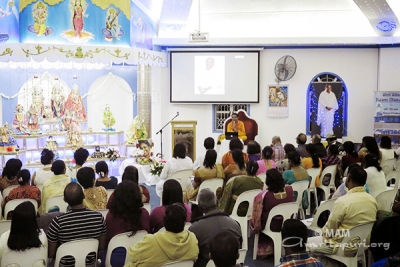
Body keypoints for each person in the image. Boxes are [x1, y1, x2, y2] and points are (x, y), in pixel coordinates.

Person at [307, 166, 377, 256]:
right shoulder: (372, 200)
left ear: (349, 179)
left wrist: (321, 232)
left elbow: (329, 231)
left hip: (342, 248)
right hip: (362, 247)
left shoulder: (342, 202)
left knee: (305, 245)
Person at [47, 183, 107, 267]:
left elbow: (51, 254)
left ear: (64, 199)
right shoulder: (98, 217)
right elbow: (101, 247)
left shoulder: (57, 222)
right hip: (90, 264)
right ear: (83, 196)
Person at [125, 203, 199, 267]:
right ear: (184, 223)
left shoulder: (151, 241)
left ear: (165, 221)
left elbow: (132, 255)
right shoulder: (192, 239)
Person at [189, 188, 242, 267]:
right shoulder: (235, 225)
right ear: (217, 202)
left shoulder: (194, 229)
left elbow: (191, 256)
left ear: (200, 208)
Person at [251, 169, 294, 258]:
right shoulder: (289, 190)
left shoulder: (264, 195)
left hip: (270, 225)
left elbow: (257, 215)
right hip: (287, 223)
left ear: (268, 181)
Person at [105, 180, 150, 265]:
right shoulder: (144, 213)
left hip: (114, 260)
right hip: (140, 257)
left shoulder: (111, 215)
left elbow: (107, 240)